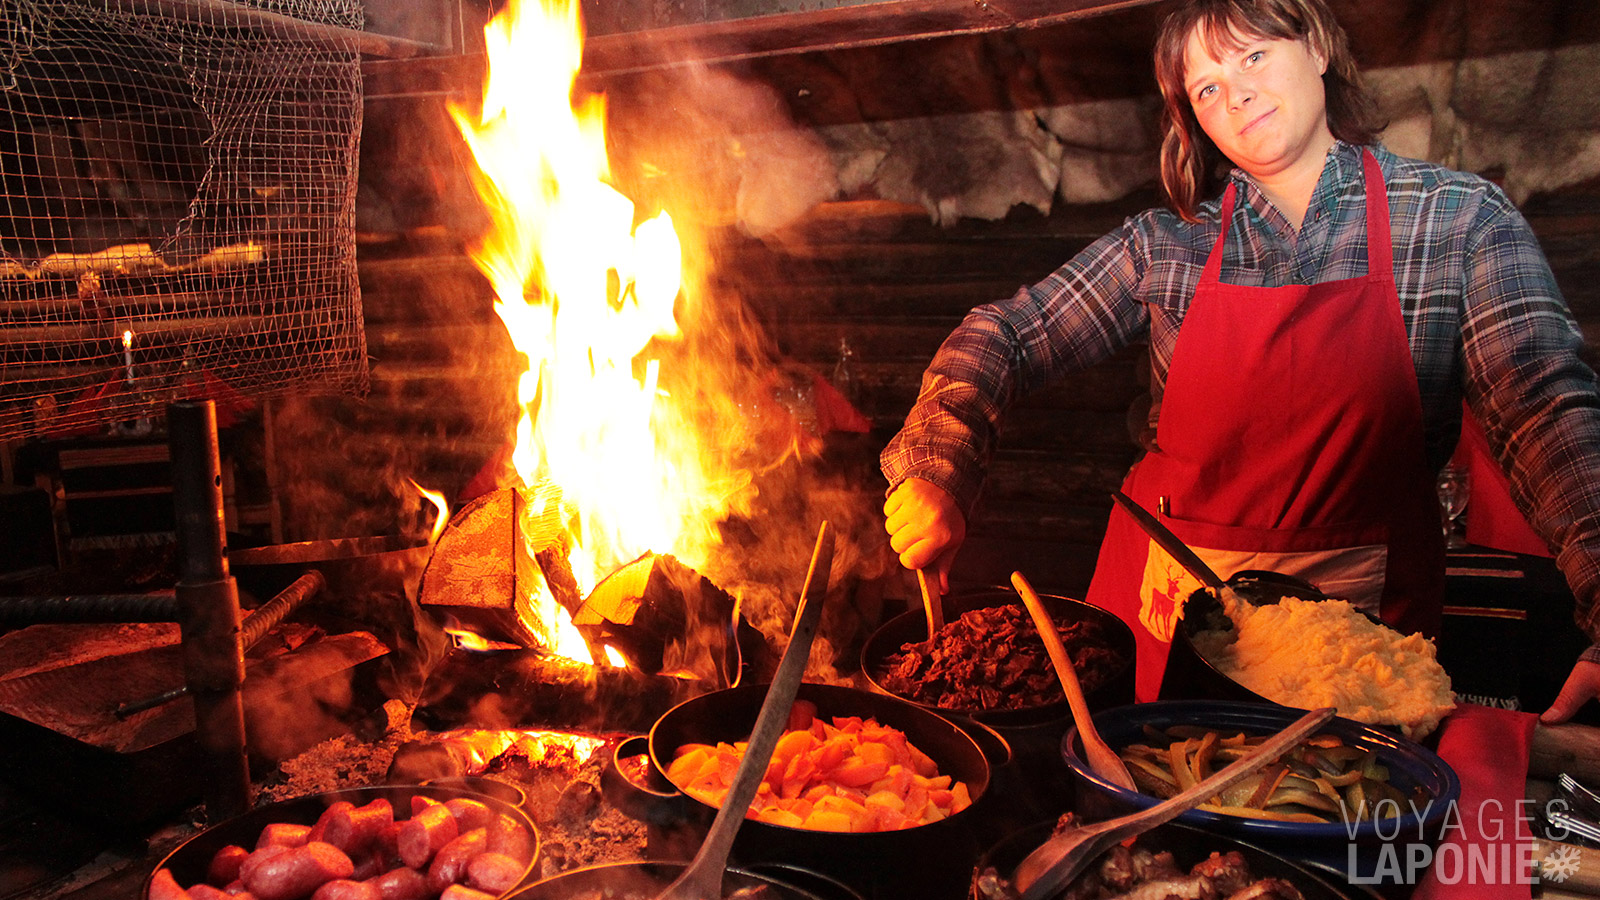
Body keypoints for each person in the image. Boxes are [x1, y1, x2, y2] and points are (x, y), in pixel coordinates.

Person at [879, 0, 1600, 720]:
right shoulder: (1167, 244)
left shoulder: (1459, 221)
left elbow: (1543, 412)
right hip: (1164, 624)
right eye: (1207, 88)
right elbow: (1007, 333)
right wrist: (939, 467)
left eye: (1254, 56)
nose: (1236, 95)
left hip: (1358, 652)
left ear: (1318, 48)